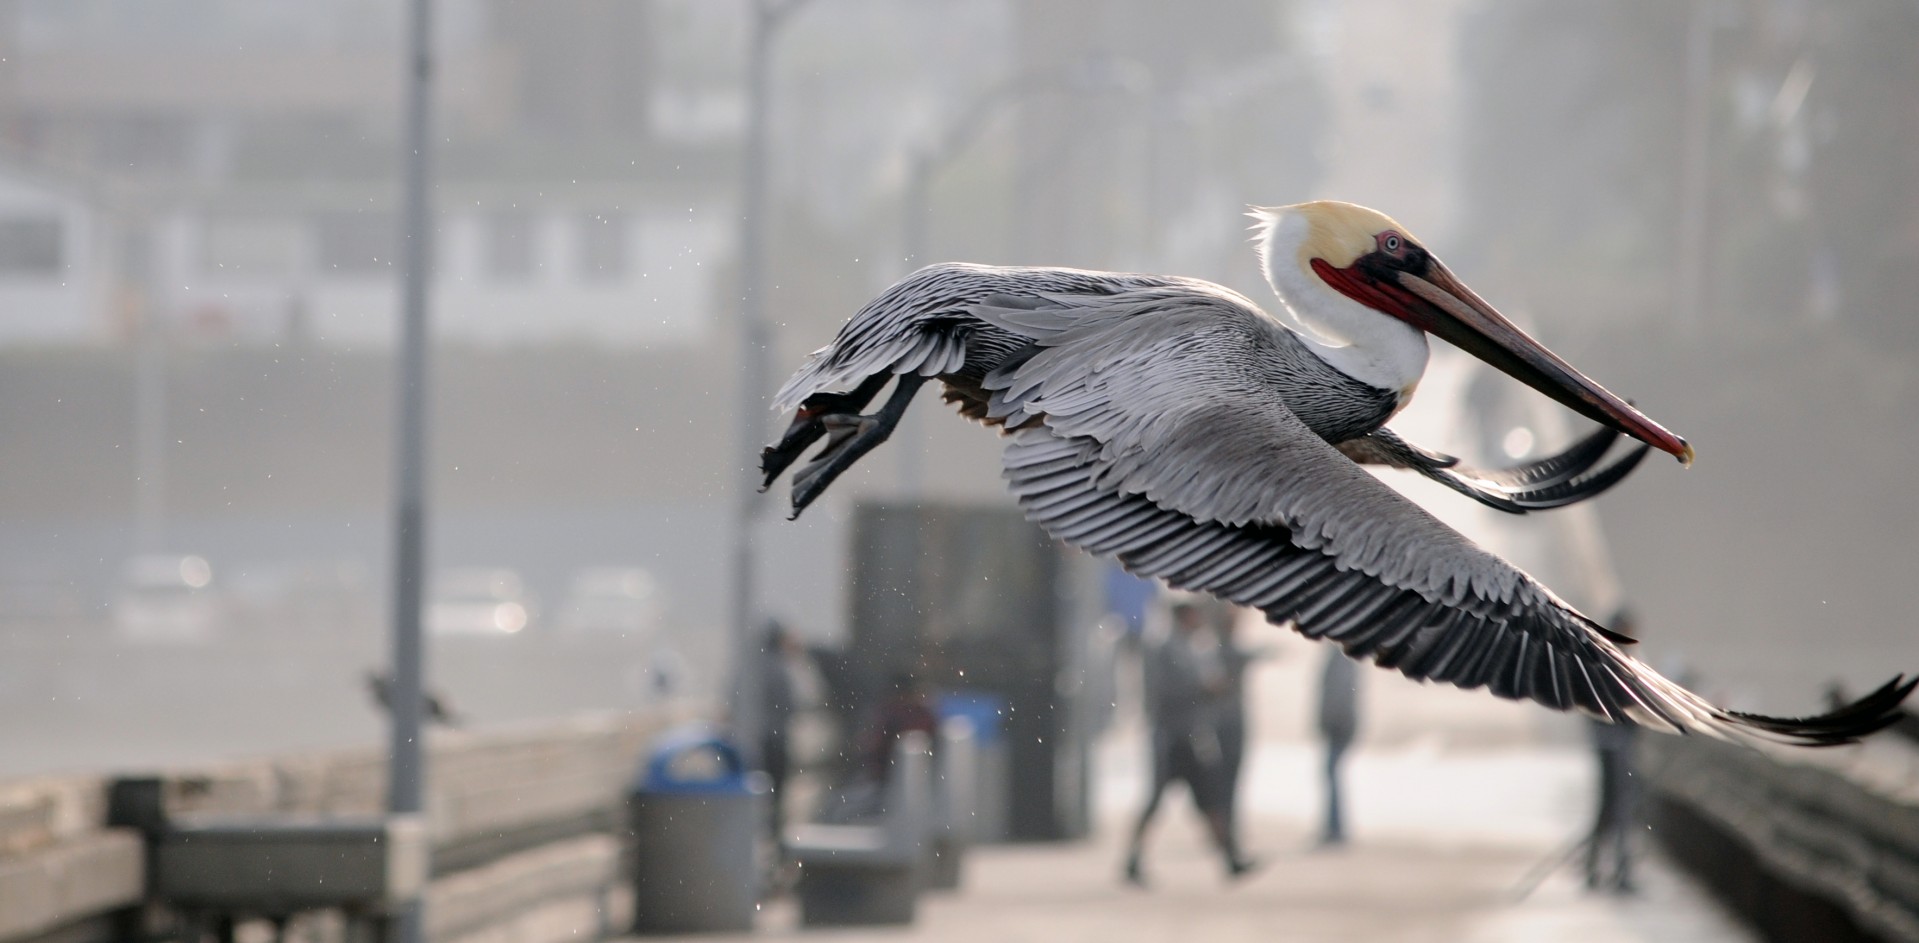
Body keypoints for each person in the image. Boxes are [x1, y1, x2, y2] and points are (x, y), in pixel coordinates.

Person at [1125, 600, 1255, 885]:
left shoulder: (1188, 649)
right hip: (1171, 740)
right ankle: (1131, 860)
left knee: (1209, 801)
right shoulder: (1164, 650)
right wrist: (1202, 690)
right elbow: (1163, 693)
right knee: (1157, 802)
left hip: (1187, 738)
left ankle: (1230, 858)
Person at [1584, 609, 1640, 893]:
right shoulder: (1612, 666)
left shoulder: (1608, 664)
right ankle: (1616, 871)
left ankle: (1597, 867)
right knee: (1617, 811)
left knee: (1608, 812)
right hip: (1613, 748)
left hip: (1610, 746)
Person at [1316, 646, 1360, 847]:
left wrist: (1330, 724)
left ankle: (1335, 829)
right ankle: (1333, 827)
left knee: (1331, 774)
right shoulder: (1342, 653)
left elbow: (1339, 694)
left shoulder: (1341, 655)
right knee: (1331, 774)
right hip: (1340, 725)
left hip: (1339, 726)